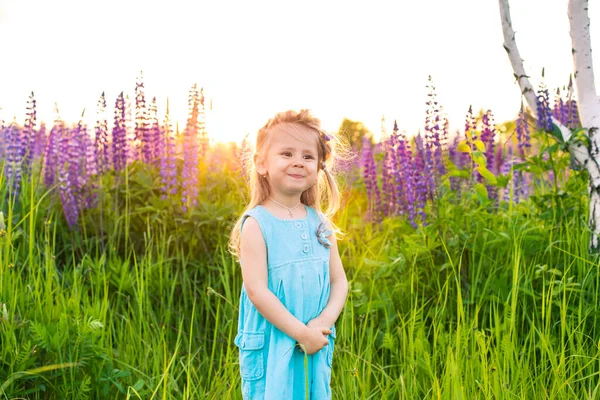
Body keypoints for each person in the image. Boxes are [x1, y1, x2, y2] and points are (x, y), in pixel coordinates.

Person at [229, 109, 349, 399]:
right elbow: (257, 291)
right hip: (274, 342)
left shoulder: (320, 223)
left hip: (313, 341)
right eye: (286, 153)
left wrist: (323, 324)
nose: (298, 162)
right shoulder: (257, 223)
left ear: (319, 166)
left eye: (308, 157)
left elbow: (339, 282)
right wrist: (300, 333)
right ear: (261, 164)